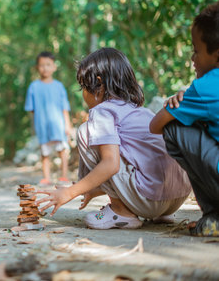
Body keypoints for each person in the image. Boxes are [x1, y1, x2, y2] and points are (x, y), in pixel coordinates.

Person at [36, 48, 191, 229]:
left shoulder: (102, 112)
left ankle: (121, 213)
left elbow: (111, 164)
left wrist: (69, 193)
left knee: (86, 131)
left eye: (84, 87)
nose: (83, 94)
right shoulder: (140, 111)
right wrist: (92, 189)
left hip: (150, 201)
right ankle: (163, 214)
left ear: (98, 85)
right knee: (117, 149)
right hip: (177, 196)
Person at [150, 2, 219, 236]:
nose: (192, 57)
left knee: (174, 127)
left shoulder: (206, 86)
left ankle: (213, 215)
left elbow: (156, 125)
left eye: (196, 50)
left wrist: (177, 102)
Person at [25, 51, 74, 185]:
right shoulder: (33, 87)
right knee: (45, 153)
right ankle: (46, 177)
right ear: (37, 67)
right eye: (42, 65)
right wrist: (36, 125)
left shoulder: (59, 86)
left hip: (58, 125)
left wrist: (67, 125)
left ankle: (64, 175)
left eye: (48, 65)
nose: (45, 68)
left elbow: (65, 108)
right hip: (42, 126)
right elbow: (32, 109)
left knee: (62, 151)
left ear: (54, 67)